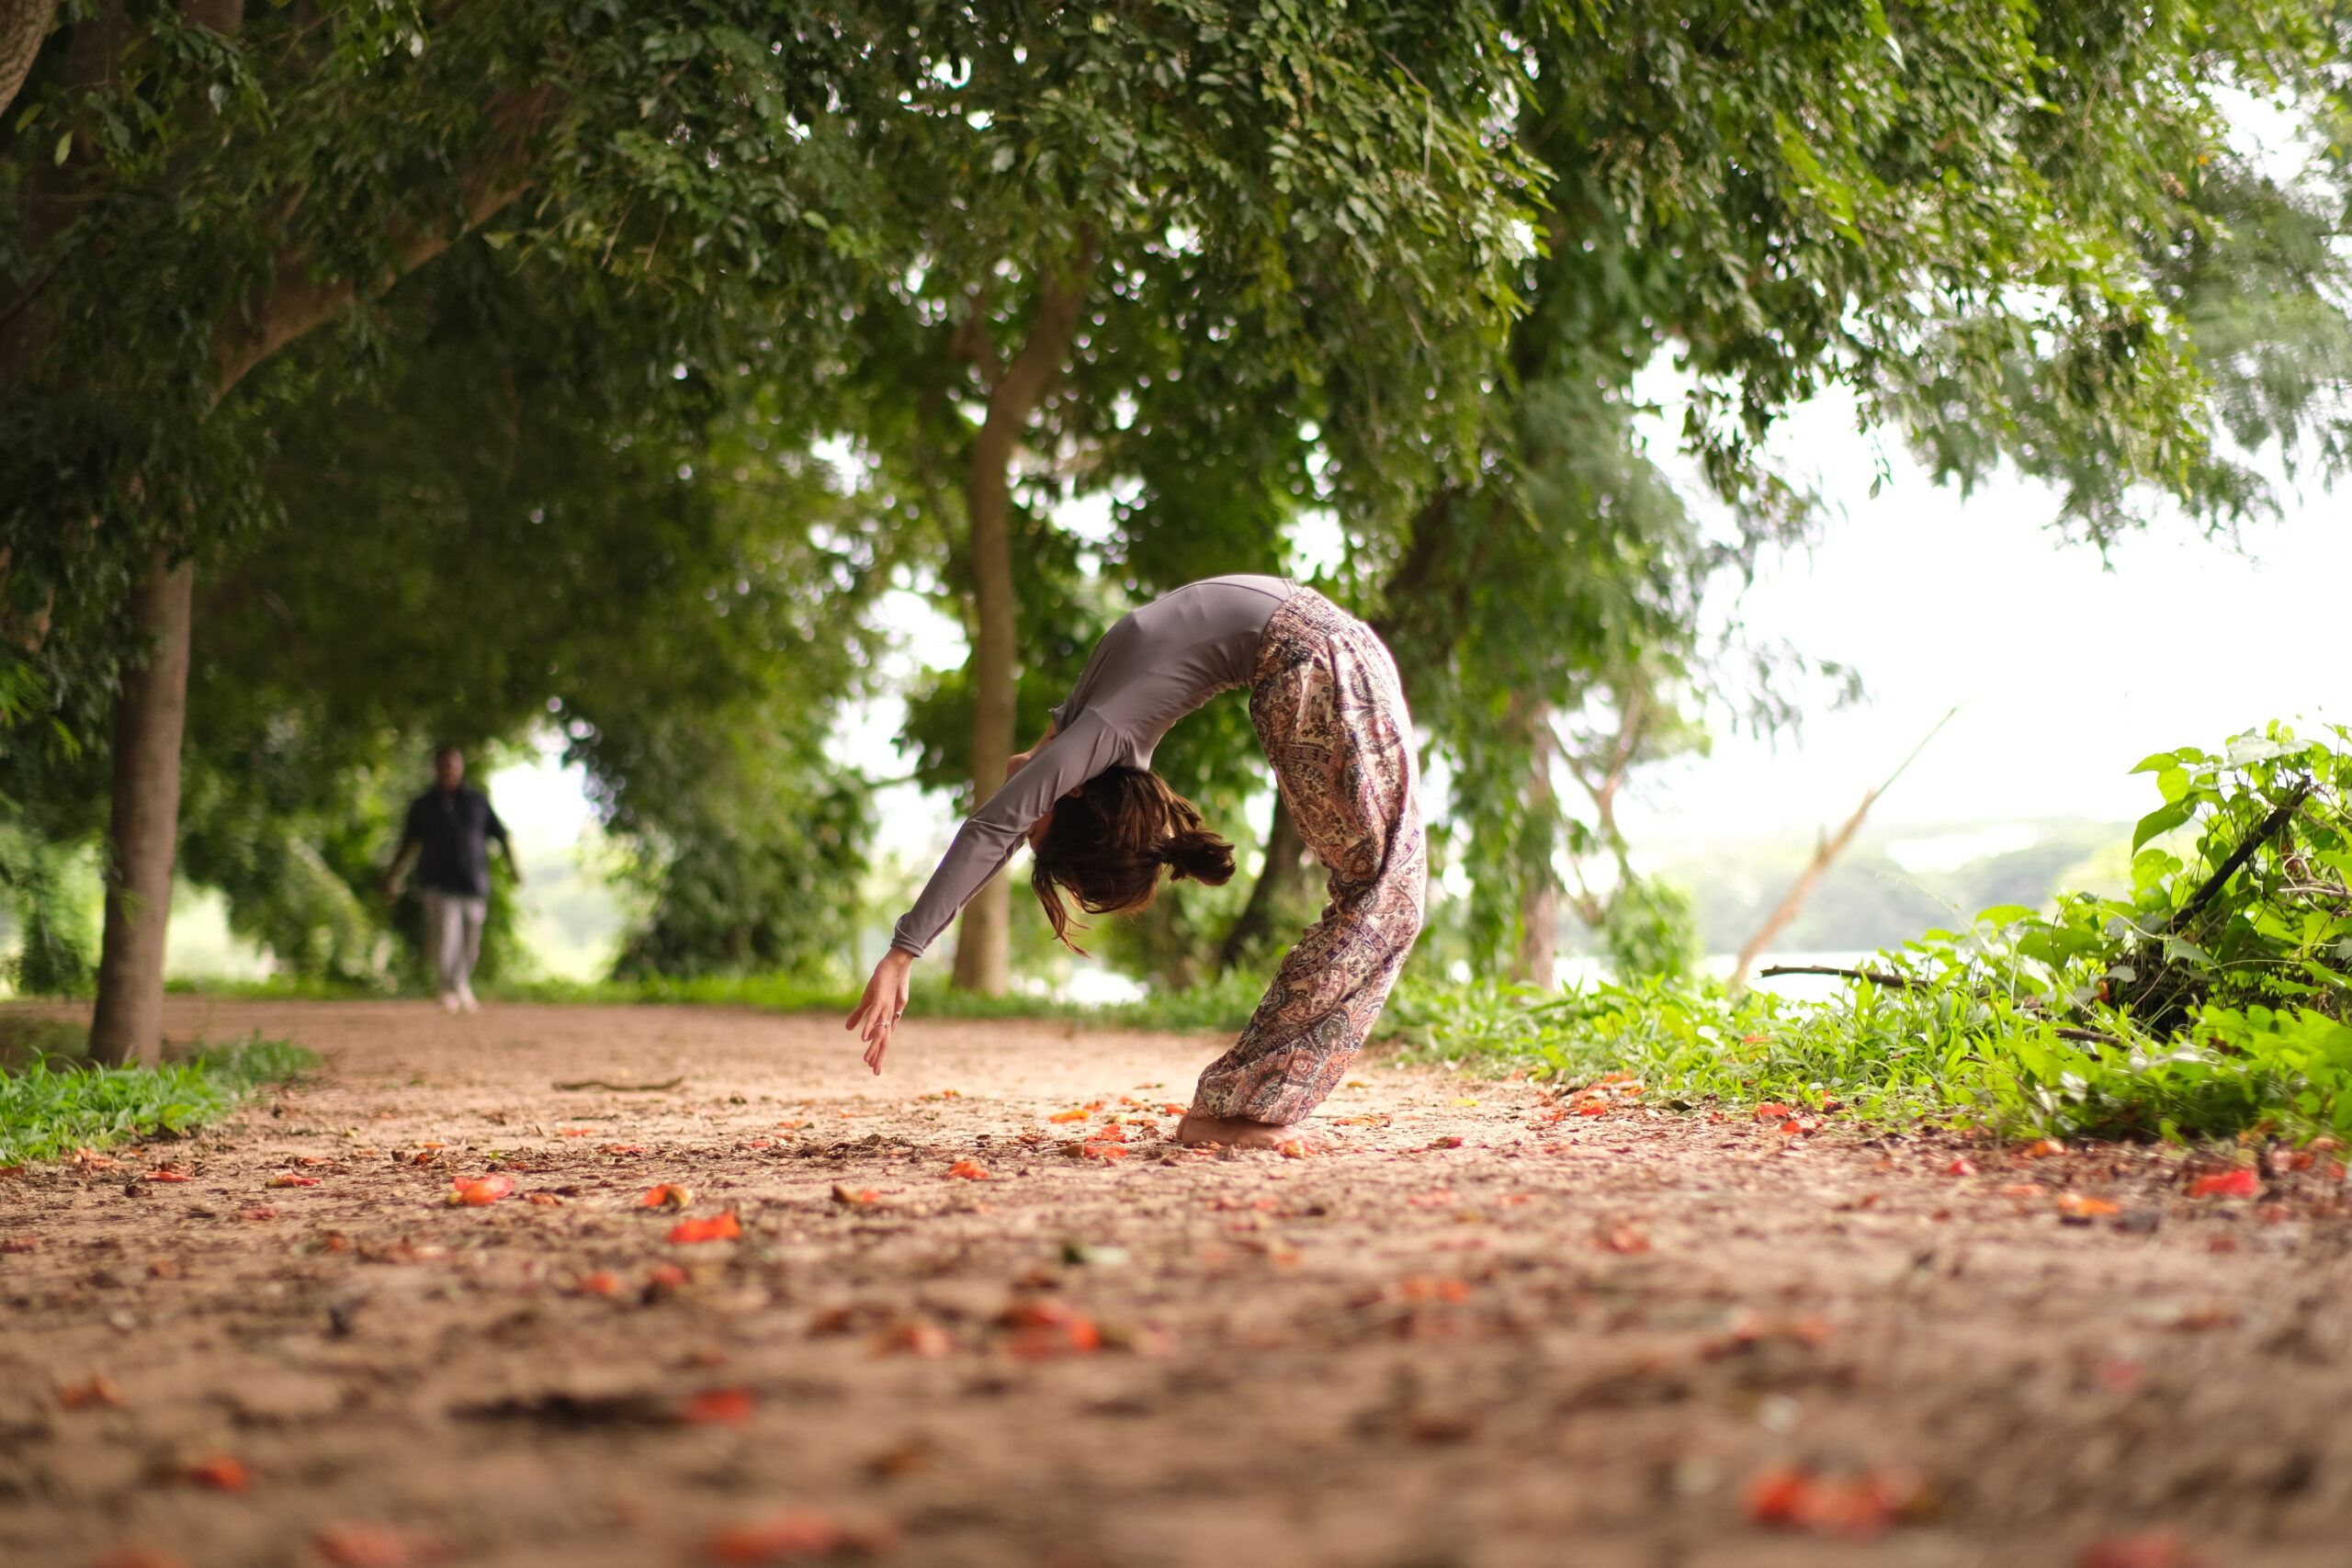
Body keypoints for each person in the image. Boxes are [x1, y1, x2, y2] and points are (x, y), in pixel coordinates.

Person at [846, 576, 1426, 1147]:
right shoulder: (1096, 729)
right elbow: (1012, 804)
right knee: (1385, 894)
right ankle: (1239, 1104)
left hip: (1322, 657)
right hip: (1326, 654)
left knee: (1385, 895)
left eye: (1032, 828)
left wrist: (903, 952)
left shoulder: (1101, 729)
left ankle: (1238, 1104)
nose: (1023, 822)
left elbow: (992, 826)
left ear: (1072, 790)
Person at [382, 745, 523, 1012]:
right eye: (444, 765)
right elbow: (407, 844)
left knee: (471, 939)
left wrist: (514, 867)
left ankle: (462, 984)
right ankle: (446, 988)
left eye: (453, 764)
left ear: (461, 767)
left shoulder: (477, 801)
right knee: (445, 935)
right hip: (437, 882)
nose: (448, 769)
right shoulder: (423, 805)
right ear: (436, 768)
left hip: (473, 882)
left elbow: (501, 835)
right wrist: (393, 876)